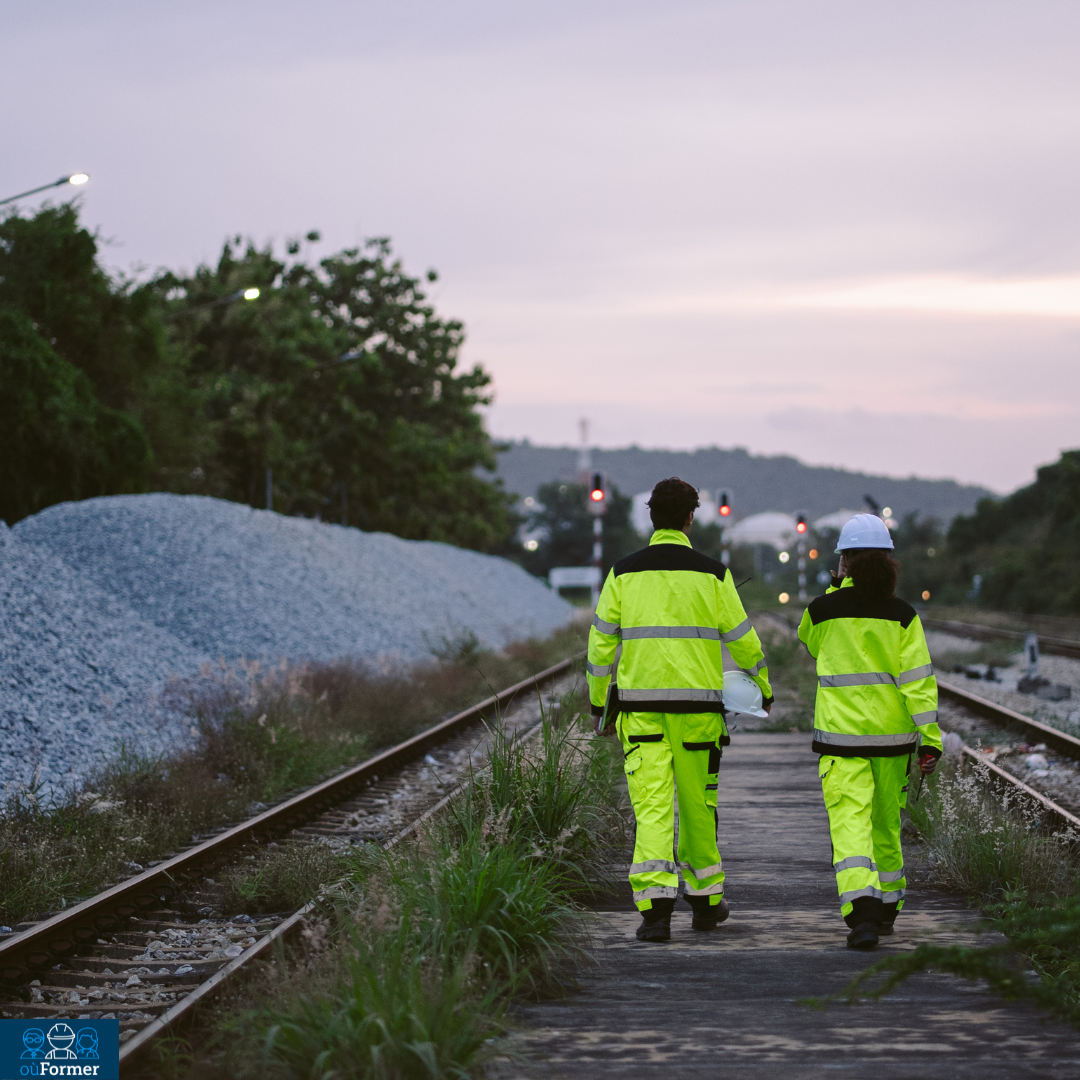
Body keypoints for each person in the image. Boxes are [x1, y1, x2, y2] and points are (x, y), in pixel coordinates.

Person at [588, 477, 773, 942]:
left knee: (651, 808)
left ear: (652, 517)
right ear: (691, 517)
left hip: (641, 713)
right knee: (698, 806)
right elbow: (743, 639)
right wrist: (763, 687)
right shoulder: (713, 573)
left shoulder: (622, 573)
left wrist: (598, 705)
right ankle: (707, 904)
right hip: (698, 714)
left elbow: (599, 646)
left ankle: (655, 914)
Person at [798, 513, 942, 949]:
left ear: (844, 562)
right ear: (889, 563)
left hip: (842, 743)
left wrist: (837, 588)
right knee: (885, 827)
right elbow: (919, 683)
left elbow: (811, 643)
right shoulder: (903, 615)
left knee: (850, 826)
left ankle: (861, 914)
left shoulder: (821, 612)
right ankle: (888, 908)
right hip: (894, 743)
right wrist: (930, 740)